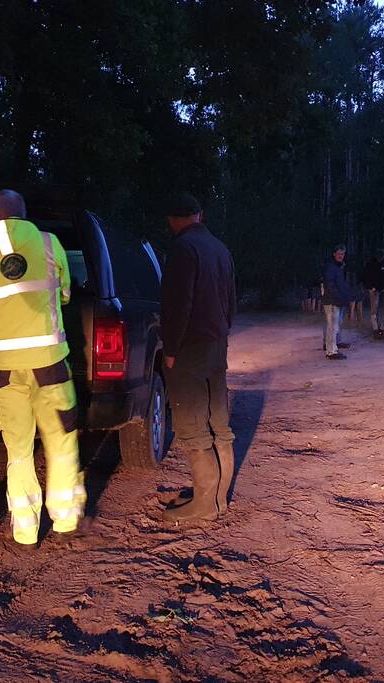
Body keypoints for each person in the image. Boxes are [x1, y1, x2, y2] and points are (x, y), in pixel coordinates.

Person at [0, 190, 85, 547]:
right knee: (60, 441)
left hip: (5, 374)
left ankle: (25, 530)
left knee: (19, 450)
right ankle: (66, 518)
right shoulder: (49, 243)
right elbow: (66, 293)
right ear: (23, 215)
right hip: (50, 367)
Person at [160, 193, 237, 522]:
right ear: (200, 215)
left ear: (173, 219)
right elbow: (232, 301)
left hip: (190, 348)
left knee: (192, 425)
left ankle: (204, 506)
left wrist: (172, 349)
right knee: (219, 424)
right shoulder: (220, 248)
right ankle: (217, 499)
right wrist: (221, 336)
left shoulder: (182, 249)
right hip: (216, 347)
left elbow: (179, 304)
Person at [322, 244, 353, 360]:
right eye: (339, 253)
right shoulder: (331, 267)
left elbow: (341, 284)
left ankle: (333, 347)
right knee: (332, 326)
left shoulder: (339, 267)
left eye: (343, 254)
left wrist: (345, 296)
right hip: (332, 300)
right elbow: (330, 285)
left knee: (336, 325)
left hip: (337, 300)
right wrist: (339, 296)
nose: (341, 256)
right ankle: (331, 351)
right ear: (334, 254)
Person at [360, 248, 384, 339]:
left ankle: (382, 328)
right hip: (373, 290)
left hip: (383, 290)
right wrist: (370, 287)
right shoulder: (370, 264)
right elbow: (365, 277)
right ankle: (375, 330)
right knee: (374, 310)